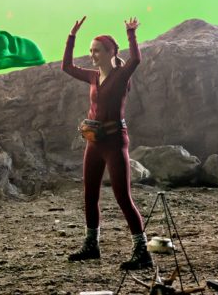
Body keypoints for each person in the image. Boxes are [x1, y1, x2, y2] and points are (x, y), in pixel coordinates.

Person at [62, 16, 153, 270]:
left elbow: (136, 59)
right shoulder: (92, 77)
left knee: (122, 196)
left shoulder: (121, 75)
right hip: (94, 142)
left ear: (111, 52)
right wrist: (71, 37)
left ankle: (142, 251)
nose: (92, 55)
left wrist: (131, 34)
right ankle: (91, 245)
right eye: (91, 50)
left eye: (97, 51)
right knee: (90, 195)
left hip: (115, 142)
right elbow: (66, 66)